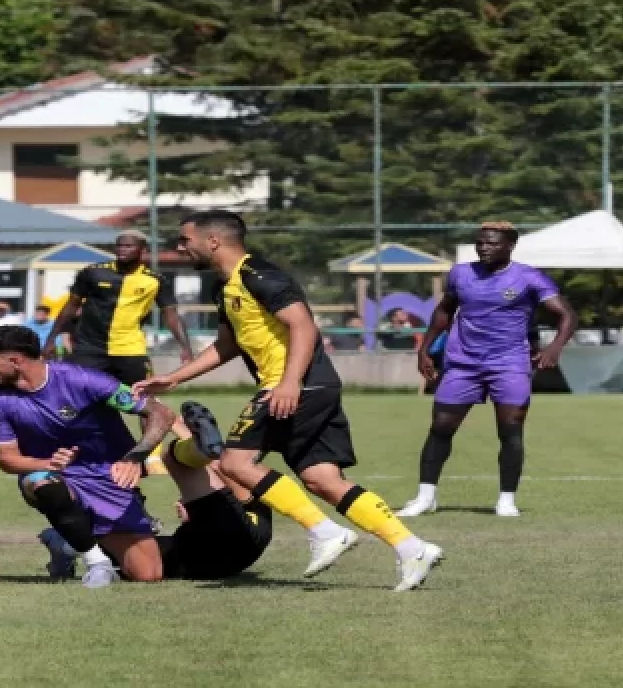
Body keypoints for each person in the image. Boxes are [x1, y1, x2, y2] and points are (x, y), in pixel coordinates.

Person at [134, 210, 443, 591]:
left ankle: (325, 531)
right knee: (323, 480)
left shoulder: (260, 275)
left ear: (212, 240)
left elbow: (304, 325)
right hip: (308, 386)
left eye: (185, 240)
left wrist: (289, 383)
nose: (180, 247)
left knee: (234, 462)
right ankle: (411, 547)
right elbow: (226, 346)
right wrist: (174, 378)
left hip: (297, 386)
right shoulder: (225, 287)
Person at [397, 221, 577, 518]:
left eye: (492, 243)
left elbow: (567, 314)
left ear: (510, 246)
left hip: (509, 363)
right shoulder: (461, 273)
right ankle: (425, 497)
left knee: (510, 430)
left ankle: (506, 500)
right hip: (463, 362)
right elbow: (445, 310)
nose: (484, 248)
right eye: (480, 242)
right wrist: (425, 348)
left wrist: (554, 348)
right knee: (441, 427)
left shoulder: (528, 277)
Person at [0, 325, 176, 589]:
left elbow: (160, 414)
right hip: (55, 475)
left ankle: (65, 541)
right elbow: (7, 459)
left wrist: (134, 459)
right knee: (44, 484)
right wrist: (48, 463)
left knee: (147, 574)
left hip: (107, 476)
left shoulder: (82, 380)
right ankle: (97, 563)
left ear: (15, 360)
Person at [38, 401, 272, 582]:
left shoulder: (245, 475)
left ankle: (64, 543)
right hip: (205, 554)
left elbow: (220, 466)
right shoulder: (259, 481)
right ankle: (64, 544)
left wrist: (176, 425)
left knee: (176, 458)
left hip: (227, 543)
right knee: (129, 552)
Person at [42, 230, 194, 473]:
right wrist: (51, 338)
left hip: (130, 350)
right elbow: (70, 307)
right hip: (89, 349)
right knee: (74, 399)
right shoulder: (92, 272)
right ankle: (74, 450)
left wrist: (185, 347)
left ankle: (150, 457)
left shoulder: (155, 280)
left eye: (128, 247)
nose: (122, 250)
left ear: (142, 250)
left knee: (143, 400)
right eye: (119, 246)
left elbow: (171, 315)